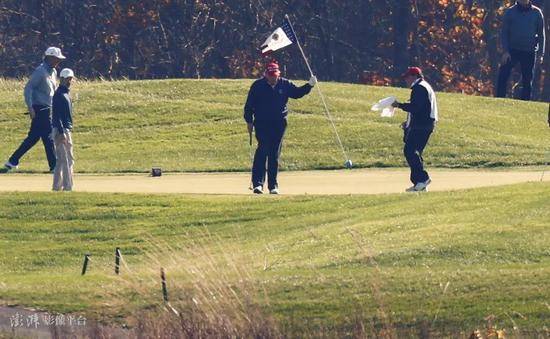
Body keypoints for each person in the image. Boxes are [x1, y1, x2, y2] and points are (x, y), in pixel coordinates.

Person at [244, 61, 317, 194]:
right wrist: (249, 121)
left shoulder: (285, 84)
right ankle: (258, 184)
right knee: (262, 150)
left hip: (279, 123)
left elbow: (297, 93)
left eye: (275, 76)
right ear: (266, 74)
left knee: (274, 153)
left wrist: (309, 85)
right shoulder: (257, 86)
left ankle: (273, 186)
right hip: (262, 122)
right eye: (270, 75)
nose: (273, 78)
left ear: (278, 74)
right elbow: (249, 106)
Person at [2, 47, 66, 173]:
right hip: (39, 109)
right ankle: (54, 167)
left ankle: (12, 161)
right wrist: (30, 107)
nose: (58, 61)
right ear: (49, 58)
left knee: (33, 138)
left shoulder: (53, 72)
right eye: (56, 59)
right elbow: (28, 89)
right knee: (48, 137)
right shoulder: (40, 71)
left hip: (48, 109)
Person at [392, 67, 438, 192]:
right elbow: (420, 109)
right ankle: (419, 183)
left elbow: (415, 107)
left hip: (421, 125)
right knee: (414, 152)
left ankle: (422, 179)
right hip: (425, 124)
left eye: (407, 77)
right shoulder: (424, 86)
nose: (406, 80)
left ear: (414, 76)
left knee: (410, 151)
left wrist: (399, 105)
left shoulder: (419, 88)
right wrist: (408, 122)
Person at [496, 0, 545, 101]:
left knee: (527, 81)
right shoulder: (510, 12)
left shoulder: (537, 13)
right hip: (512, 50)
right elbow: (504, 32)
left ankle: (525, 104)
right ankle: (499, 101)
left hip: (529, 51)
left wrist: (541, 54)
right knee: (503, 76)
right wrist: (505, 51)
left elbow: (541, 35)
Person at [52, 68, 75, 191]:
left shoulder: (66, 94)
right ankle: (67, 187)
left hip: (65, 129)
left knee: (62, 160)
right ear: (62, 79)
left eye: (70, 78)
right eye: (68, 79)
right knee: (67, 159)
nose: (69, 81)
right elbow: (56, 116)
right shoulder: (59, 95)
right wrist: (61, 132)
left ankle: (57, 186)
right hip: (61, 130)